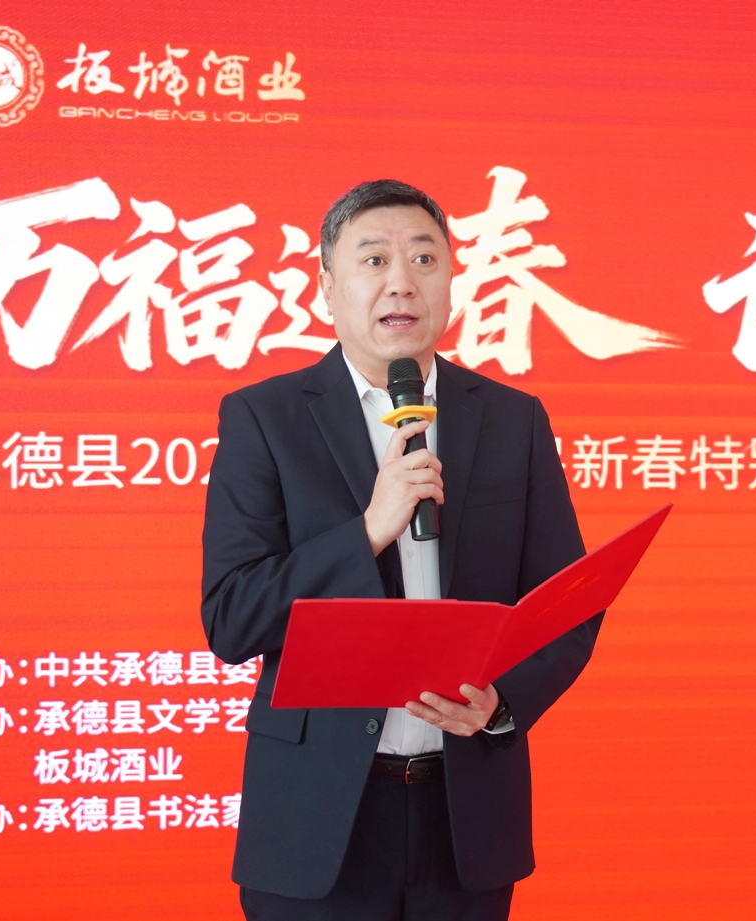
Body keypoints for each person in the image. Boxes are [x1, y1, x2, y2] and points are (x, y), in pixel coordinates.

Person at [200, 179, 600, 920]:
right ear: (327, 286)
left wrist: (502, 705)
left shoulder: (512, 419)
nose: (401, 282)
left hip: (465, 817)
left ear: (449, 281)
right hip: (318, 818)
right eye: (373, 259)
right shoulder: (265, 418)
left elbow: (567, 605)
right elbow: (231, 617)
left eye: (423, 258)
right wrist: (367, 531)